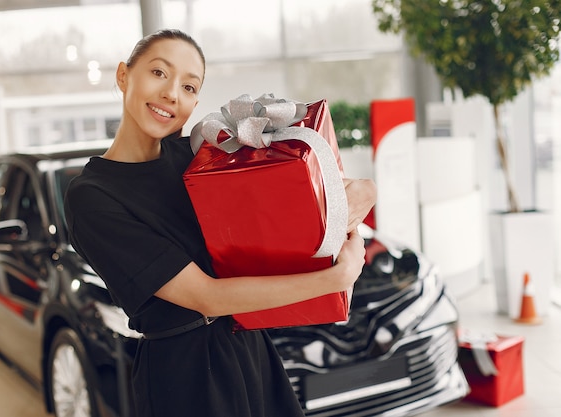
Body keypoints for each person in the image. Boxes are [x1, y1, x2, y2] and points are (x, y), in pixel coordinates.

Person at [65, 29, 376, 417]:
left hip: (249, 348)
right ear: (124, 76)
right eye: (159, 73)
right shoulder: (92, 197)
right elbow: (204, 296)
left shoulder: (200, 158)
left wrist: (362, 192)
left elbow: (289, 204)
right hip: (186, 376)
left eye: (189, 86)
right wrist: (334, 280)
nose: (172, 94)